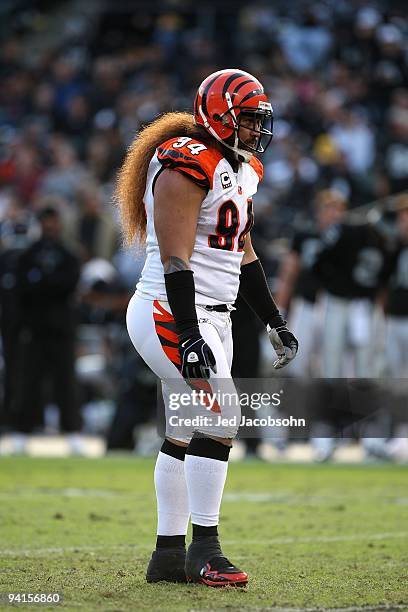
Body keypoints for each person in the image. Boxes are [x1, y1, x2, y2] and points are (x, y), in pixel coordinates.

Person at [116, 69, 298, 587]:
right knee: (221, 415)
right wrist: (190, 333)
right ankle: (206, 550)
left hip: (215, 315)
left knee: (184, 430)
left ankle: (169, 555)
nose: (255, 130)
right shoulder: (184, 162)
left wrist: (273, 320)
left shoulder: (240, 168)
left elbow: (242, 253)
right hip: (169, 311)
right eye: (246, 120)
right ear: (218, 116)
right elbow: (176, 258)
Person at [14, 206, 81, 441]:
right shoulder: (28, 255)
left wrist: (42, 282)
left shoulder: (68, 254)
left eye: (53, 221)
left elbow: (68, 284)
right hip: (35, 327)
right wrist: (49, 284)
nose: (50, 226)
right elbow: (23, 288)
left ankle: (72, 432)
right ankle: (23, 432)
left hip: (61, 328)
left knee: (65, 381)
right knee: (30, 380)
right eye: (46, 221)